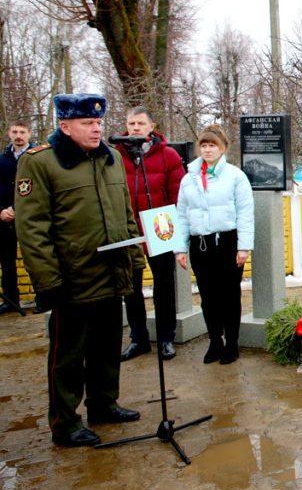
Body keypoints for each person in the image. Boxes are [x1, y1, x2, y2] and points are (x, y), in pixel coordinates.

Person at [15, 94, 145, 447]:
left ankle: (103, 404)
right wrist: (48, 281)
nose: (96, 128)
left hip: (111, 271)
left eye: (99, 122)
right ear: (65, 126)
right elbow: (32, 228)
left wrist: (134, 259)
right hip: (71, 278)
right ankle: (65, 423)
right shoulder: (41, 163)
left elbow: (125, 212)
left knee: (106, 344)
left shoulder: (112, 158)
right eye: (88, 123)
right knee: (68, 355)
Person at [175, 125, 254, 365]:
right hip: (201, 245)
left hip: (227, 242)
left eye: (212, 146)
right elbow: (181, 214)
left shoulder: (235, 176)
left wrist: (243, 247)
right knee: (208, 297)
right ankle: (214, 342)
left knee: (229, 296)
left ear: (222, 148)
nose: (208, 150)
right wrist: (180, 247)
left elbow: (245, 212)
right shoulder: (188, 179)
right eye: (204, 145)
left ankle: (231, 343)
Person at [116, 107, 186, 362]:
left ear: (151, 126)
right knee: (131, 287)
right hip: (128, 227)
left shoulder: (167, 155)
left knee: (164, 285)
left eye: (140, 123)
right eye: (131, 123)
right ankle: (139, 338)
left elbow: (178, 194)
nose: (135, 128)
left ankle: (166, 337)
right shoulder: (115, 154)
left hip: (160, 225)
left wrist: (175, 228)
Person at [0, 121, 35, 314]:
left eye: (22, 132)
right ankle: (11, 300)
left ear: (29, 133)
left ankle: (42, 298)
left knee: (35, 259)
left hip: (30, 217)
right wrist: (2, 211)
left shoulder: (36, 156)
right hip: (5, 219)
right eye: (15, 131)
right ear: (9, 133)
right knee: (7, 261)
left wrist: (16, 208)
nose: (18, 135)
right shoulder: (2, 159)